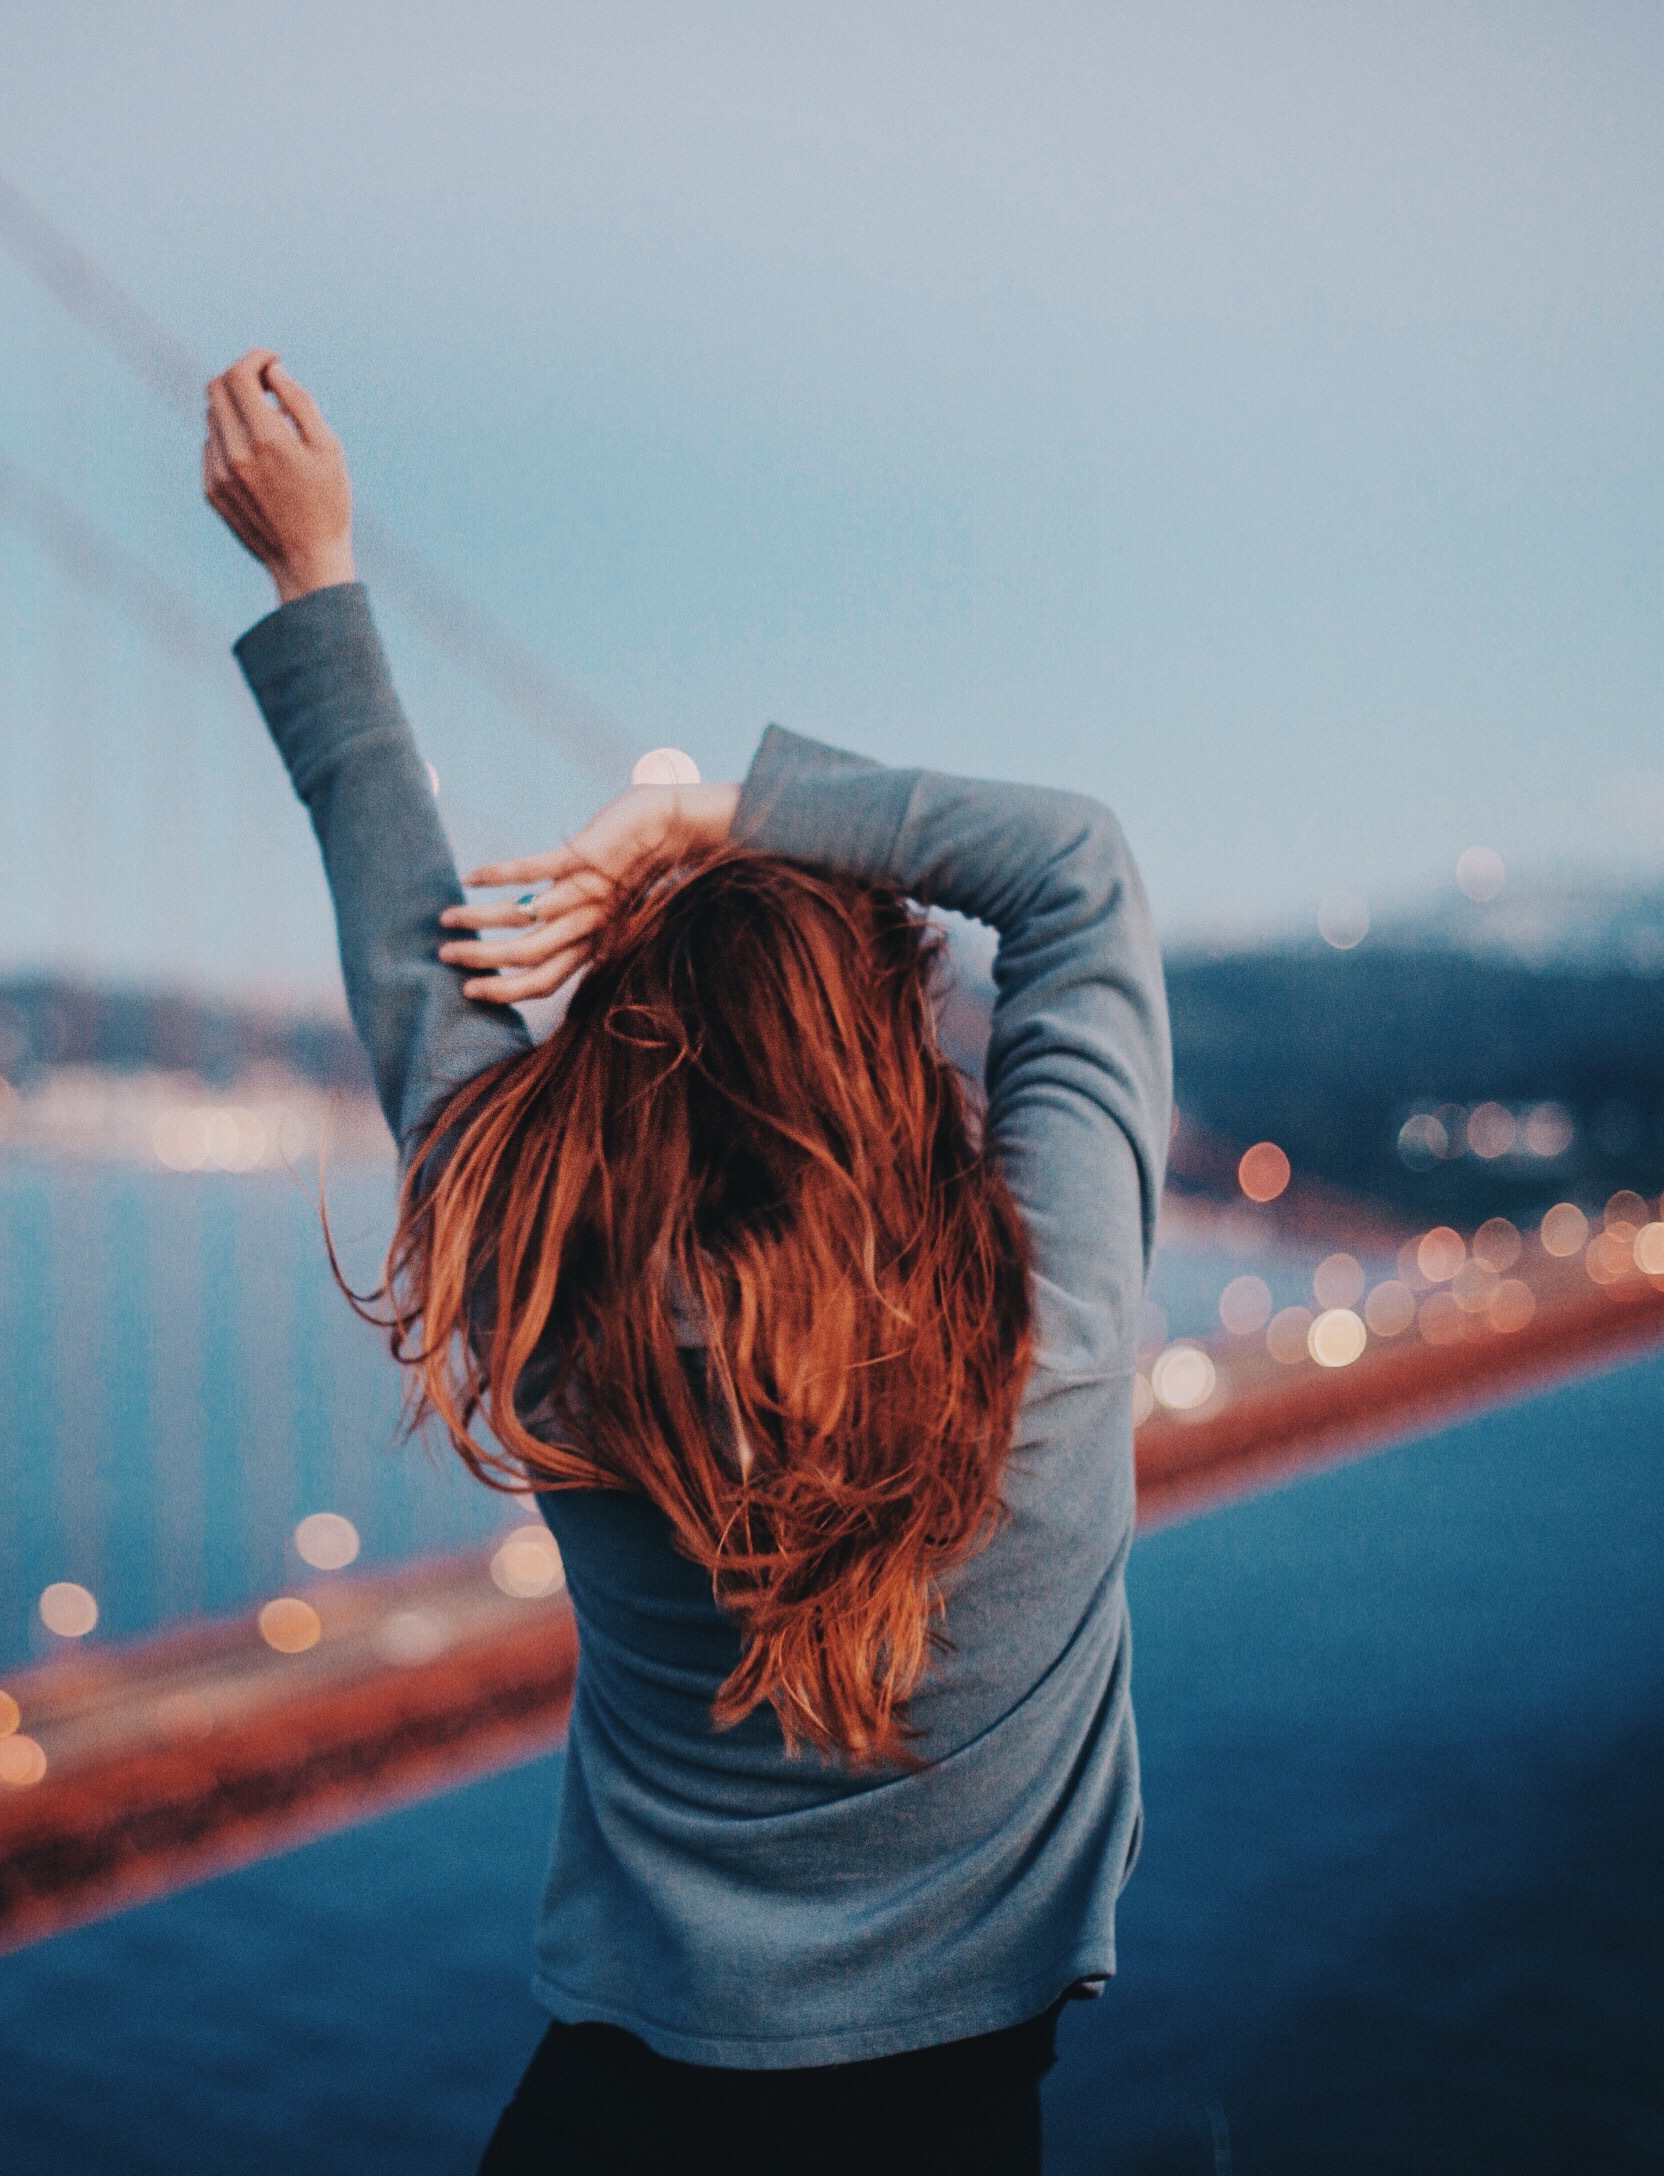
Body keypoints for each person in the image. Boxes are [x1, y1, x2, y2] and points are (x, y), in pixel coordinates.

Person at [203, 349, 1169, 2174]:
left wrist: (309, 571)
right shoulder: (1062, 1331)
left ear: (623, 1095)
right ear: (903, 1060)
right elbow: (1078, 872)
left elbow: (415, 960)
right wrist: (715, 815)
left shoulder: (562, 1323)